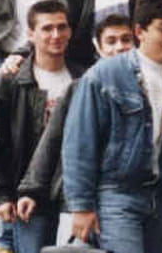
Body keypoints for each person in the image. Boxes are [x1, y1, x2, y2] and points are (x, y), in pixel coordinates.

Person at [62, 0, 162, 253]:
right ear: (140, 31)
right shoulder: (104, 76)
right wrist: (81, 206)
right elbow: (79, 144)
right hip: (117, 194)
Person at [17, 13, 135, 246]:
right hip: (76, 203)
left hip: (127, 201)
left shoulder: (147, 87)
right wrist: (31, 191)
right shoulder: (79, 88)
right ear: (98, 47)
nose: (119, 47)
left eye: (126, 40)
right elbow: (51, 142)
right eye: (111, 41)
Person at [0, 0, 85, 253]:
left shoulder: (84, 78)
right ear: (30, 34)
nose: (56, 35)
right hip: (28, 195)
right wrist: (0, 196)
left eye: (62, 27)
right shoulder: (11, 83)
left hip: (72, 195)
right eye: (47, 28)